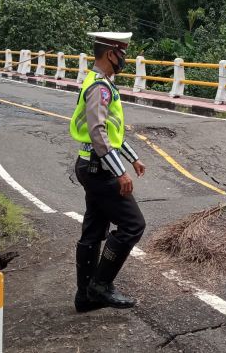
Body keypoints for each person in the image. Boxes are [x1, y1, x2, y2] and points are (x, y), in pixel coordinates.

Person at [70, 31, 146, 312]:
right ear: (110, 53)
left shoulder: (102, 84)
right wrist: (121, 172)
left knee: (94, 229)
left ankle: (85, 297)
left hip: (92, 165)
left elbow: (111, 132)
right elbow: (97, 131)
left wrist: (133, 158)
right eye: (122, 52)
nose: (124, 58)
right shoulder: (99, 88)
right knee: (133, 225)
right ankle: (100, 286)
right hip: (100, 169)